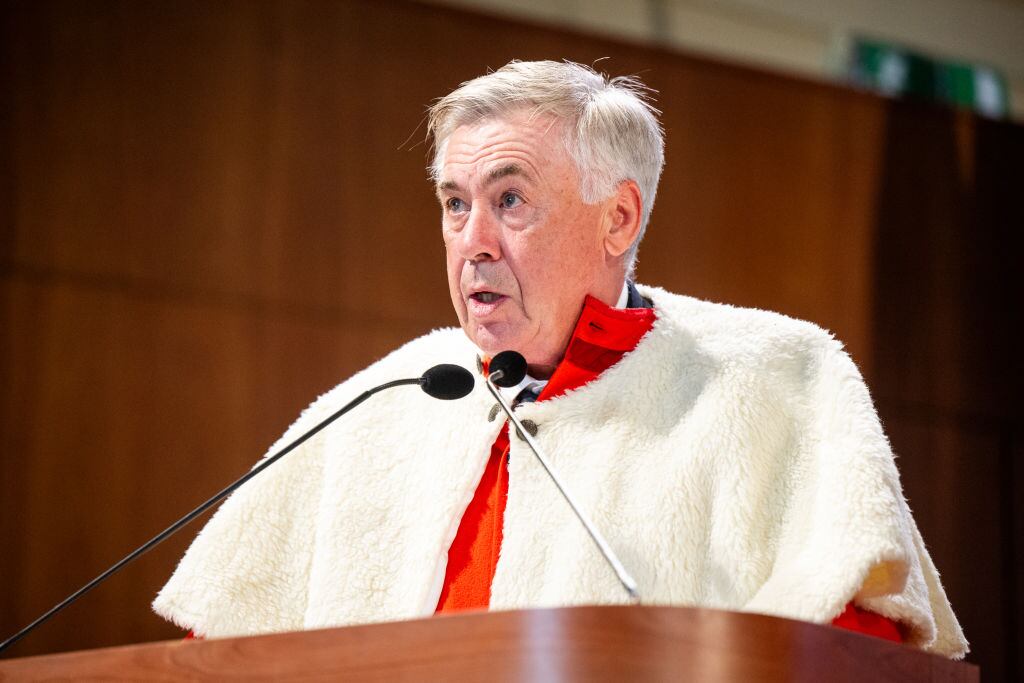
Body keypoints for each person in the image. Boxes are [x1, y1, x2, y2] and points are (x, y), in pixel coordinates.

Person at [154, 60, 967, 658]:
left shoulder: (775, 378)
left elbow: (861, 655)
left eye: (509, 200)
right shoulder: (377, 403)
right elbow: (214, 651)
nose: (472, 242)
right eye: (454, 203)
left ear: (618, 218)